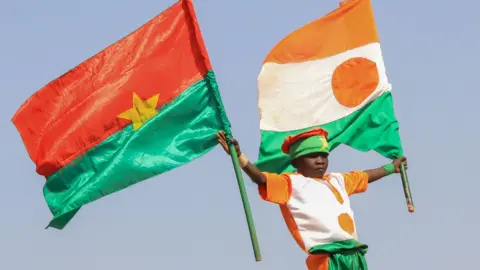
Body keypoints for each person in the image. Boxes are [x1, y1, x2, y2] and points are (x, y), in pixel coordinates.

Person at [216, 128, 407, 270]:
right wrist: (239, 156)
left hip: (354, 255)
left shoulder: (338, 180)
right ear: (295, 162)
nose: (320, 160)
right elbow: (260, 178)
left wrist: (391, 168)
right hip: (326, 259)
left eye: (324, 155)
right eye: (313, 156)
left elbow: (364, 176)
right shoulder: (290, 183)